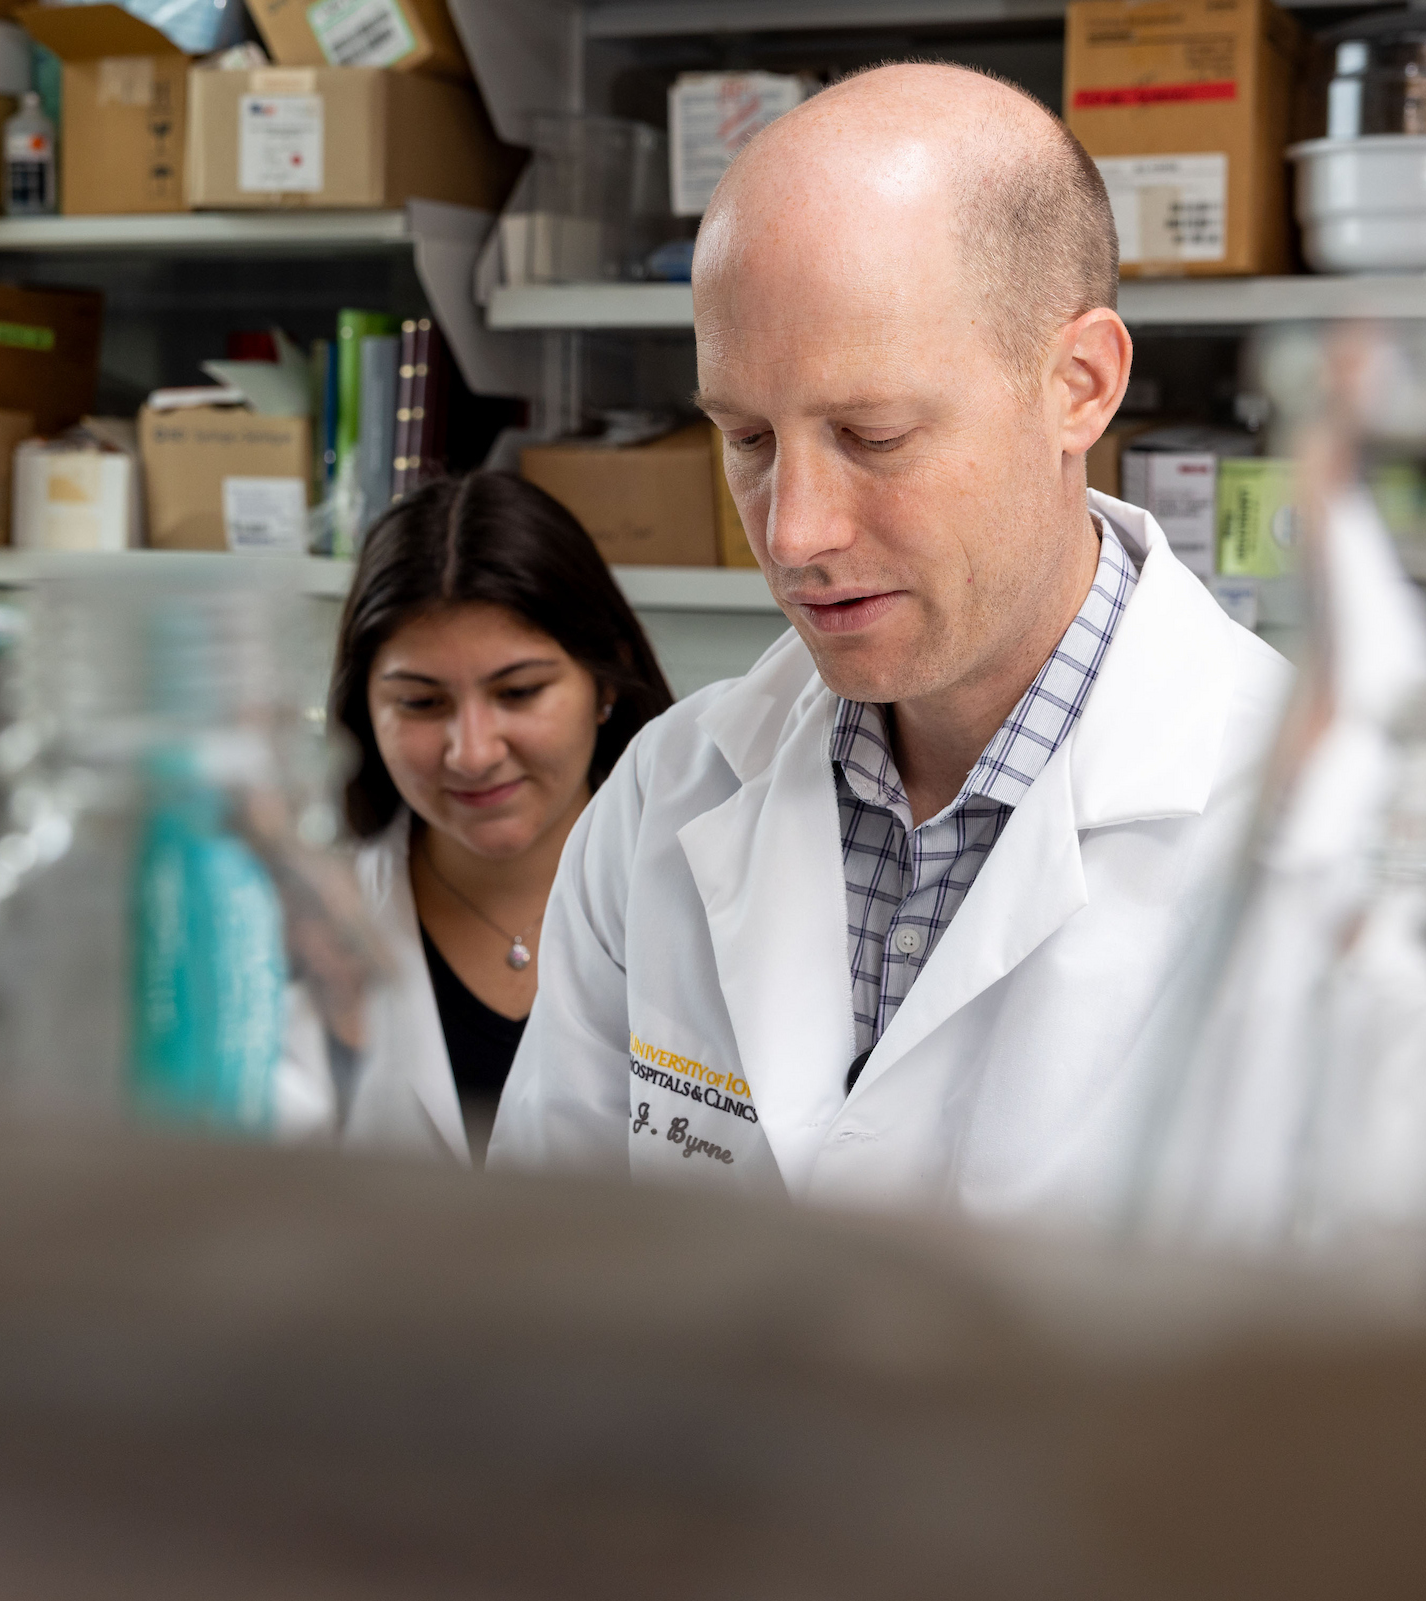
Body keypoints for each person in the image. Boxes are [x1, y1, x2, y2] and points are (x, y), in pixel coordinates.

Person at [490, 63, 1293, 1221]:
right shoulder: (664, 799)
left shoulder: (1322, 844)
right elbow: (541, 1281)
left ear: (1080, 384)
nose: (795, 533)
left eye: (875, 434)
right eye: (749, 437)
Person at [328, 472, 674, 1163]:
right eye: (421, 703)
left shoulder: (706, 903)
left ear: (607, 678)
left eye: (518, 692)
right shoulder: (303, 924)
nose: (473, 752)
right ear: (364, 709)